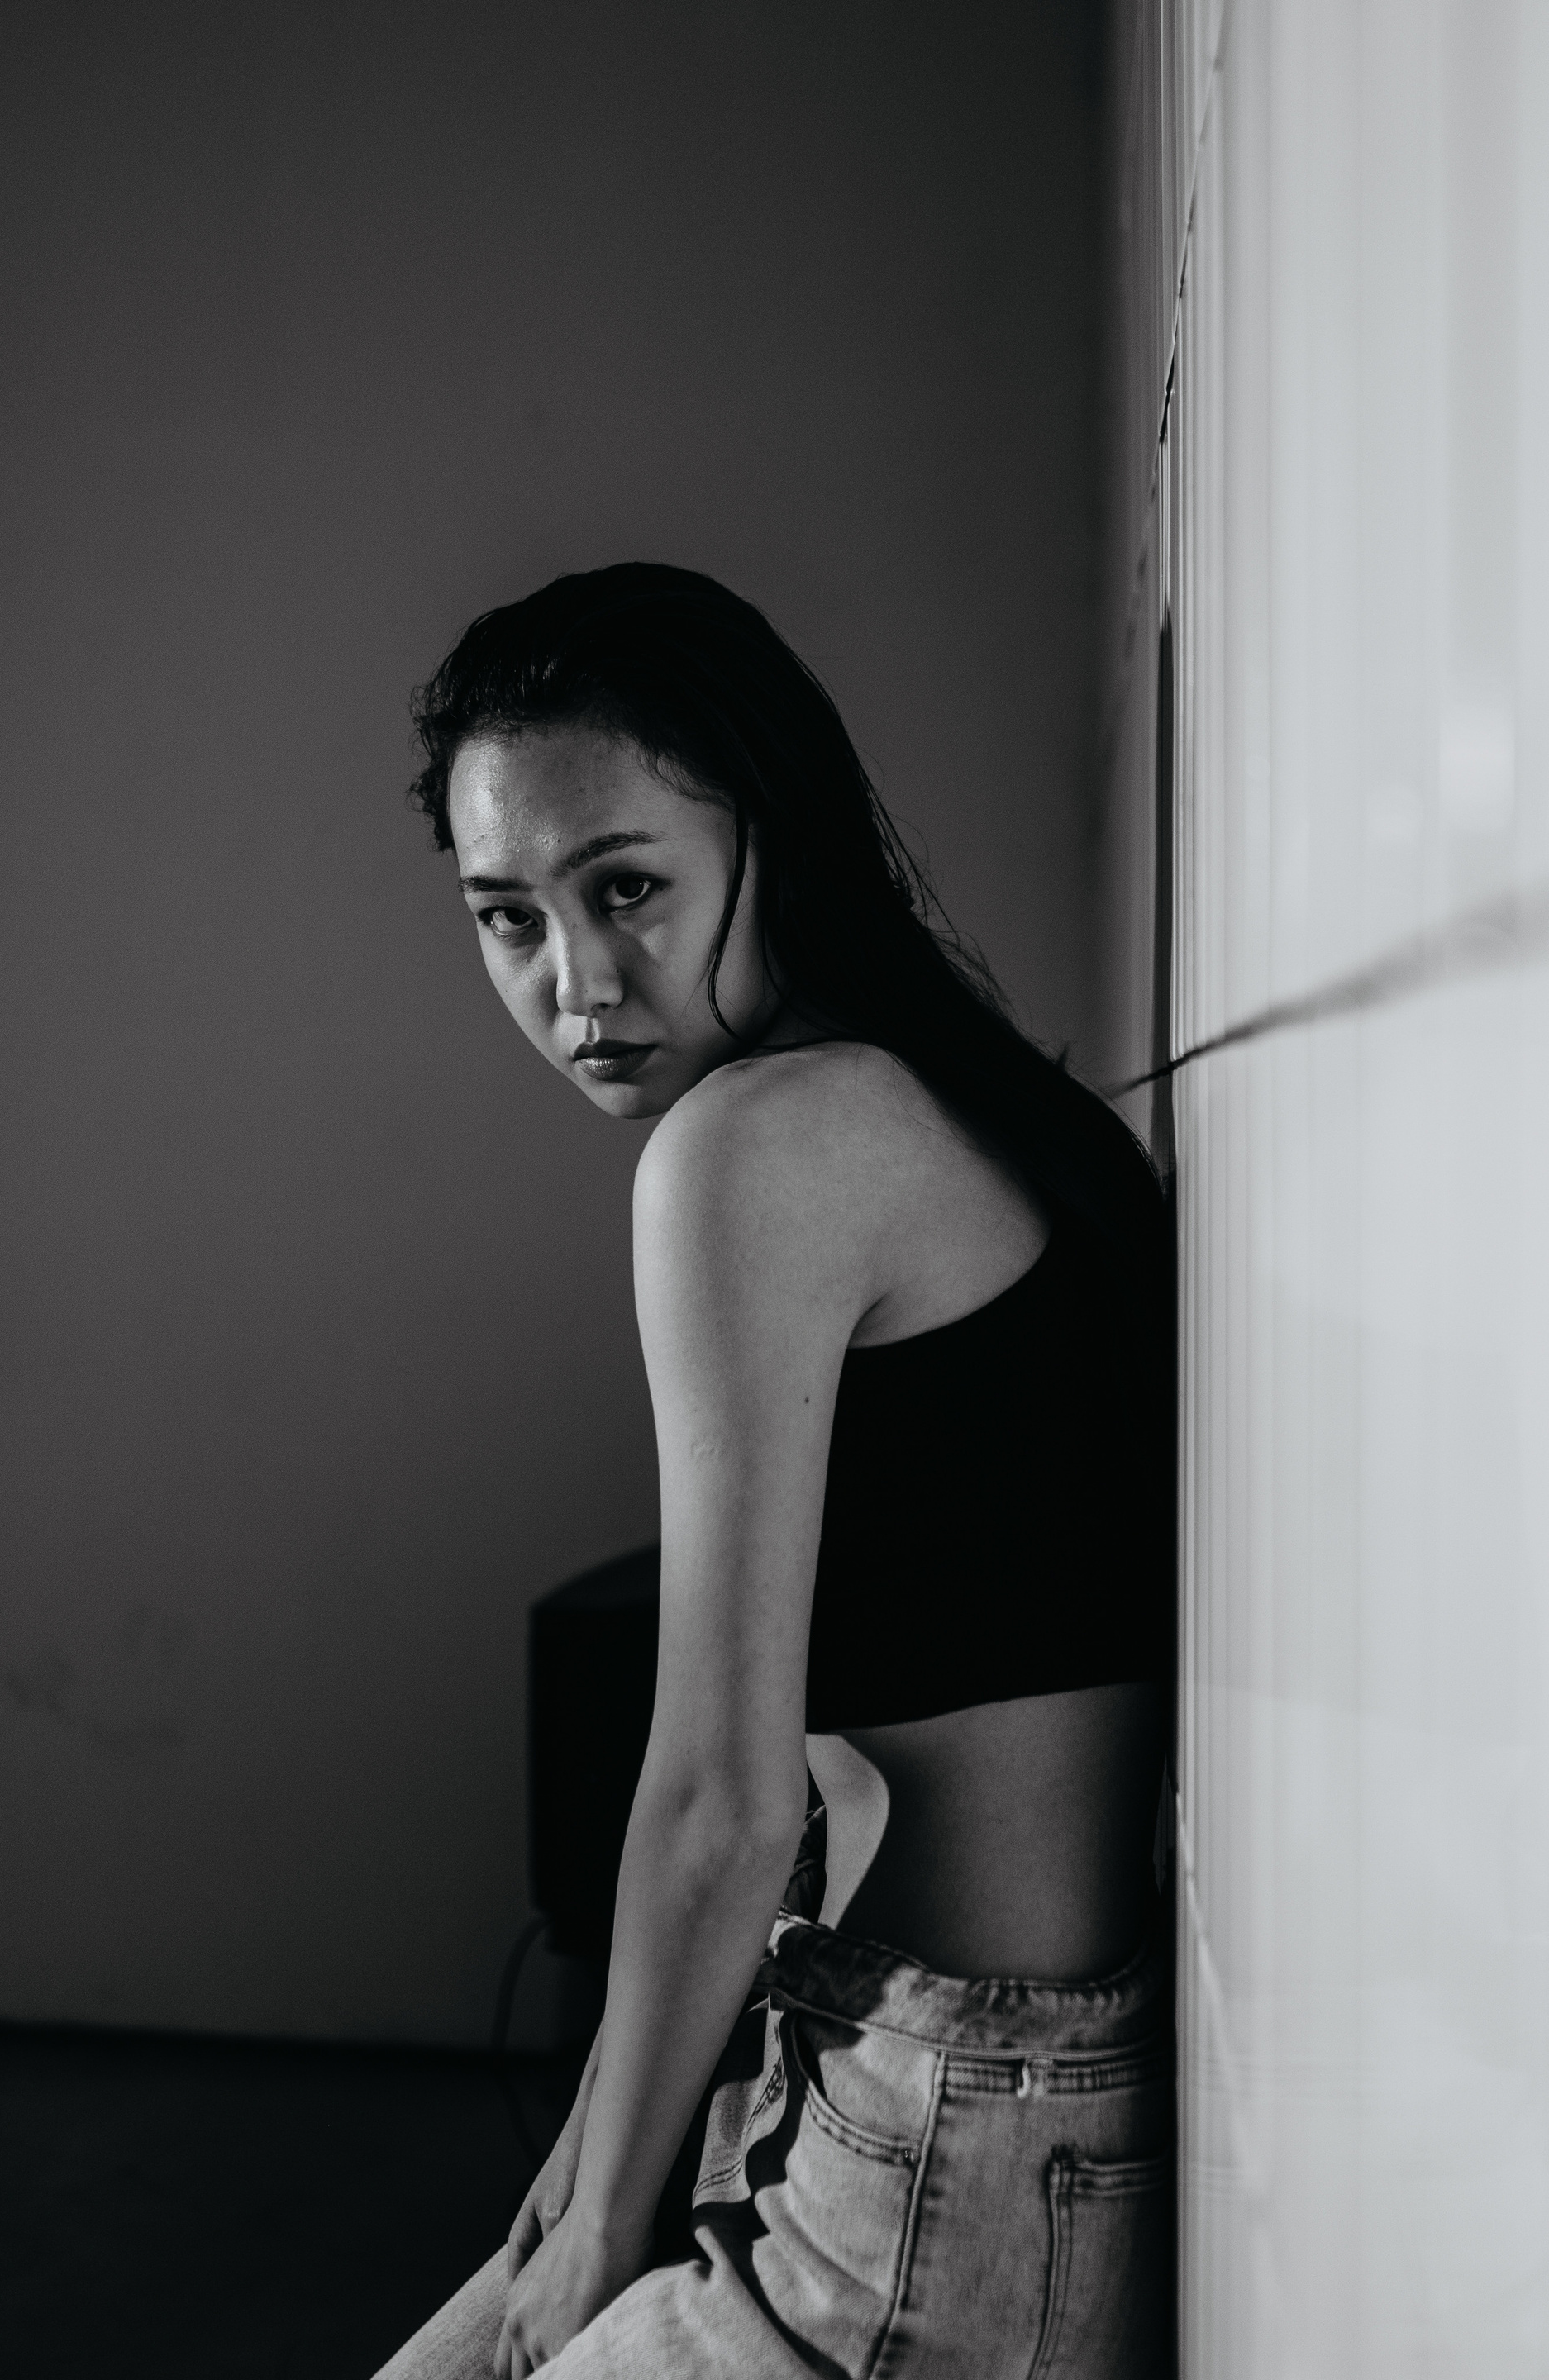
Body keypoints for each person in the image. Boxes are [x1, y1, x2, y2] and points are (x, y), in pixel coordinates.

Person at [375, 563, 1175, 2380]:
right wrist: (596, 2159)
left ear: (773, 840)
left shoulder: (756, 1147)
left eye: (626, 888)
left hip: (947, 2143)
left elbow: (723, 1797)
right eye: (507, 918)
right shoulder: (958, 1099)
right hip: (934, 2085)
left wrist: (598, 2232)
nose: (578, 986)